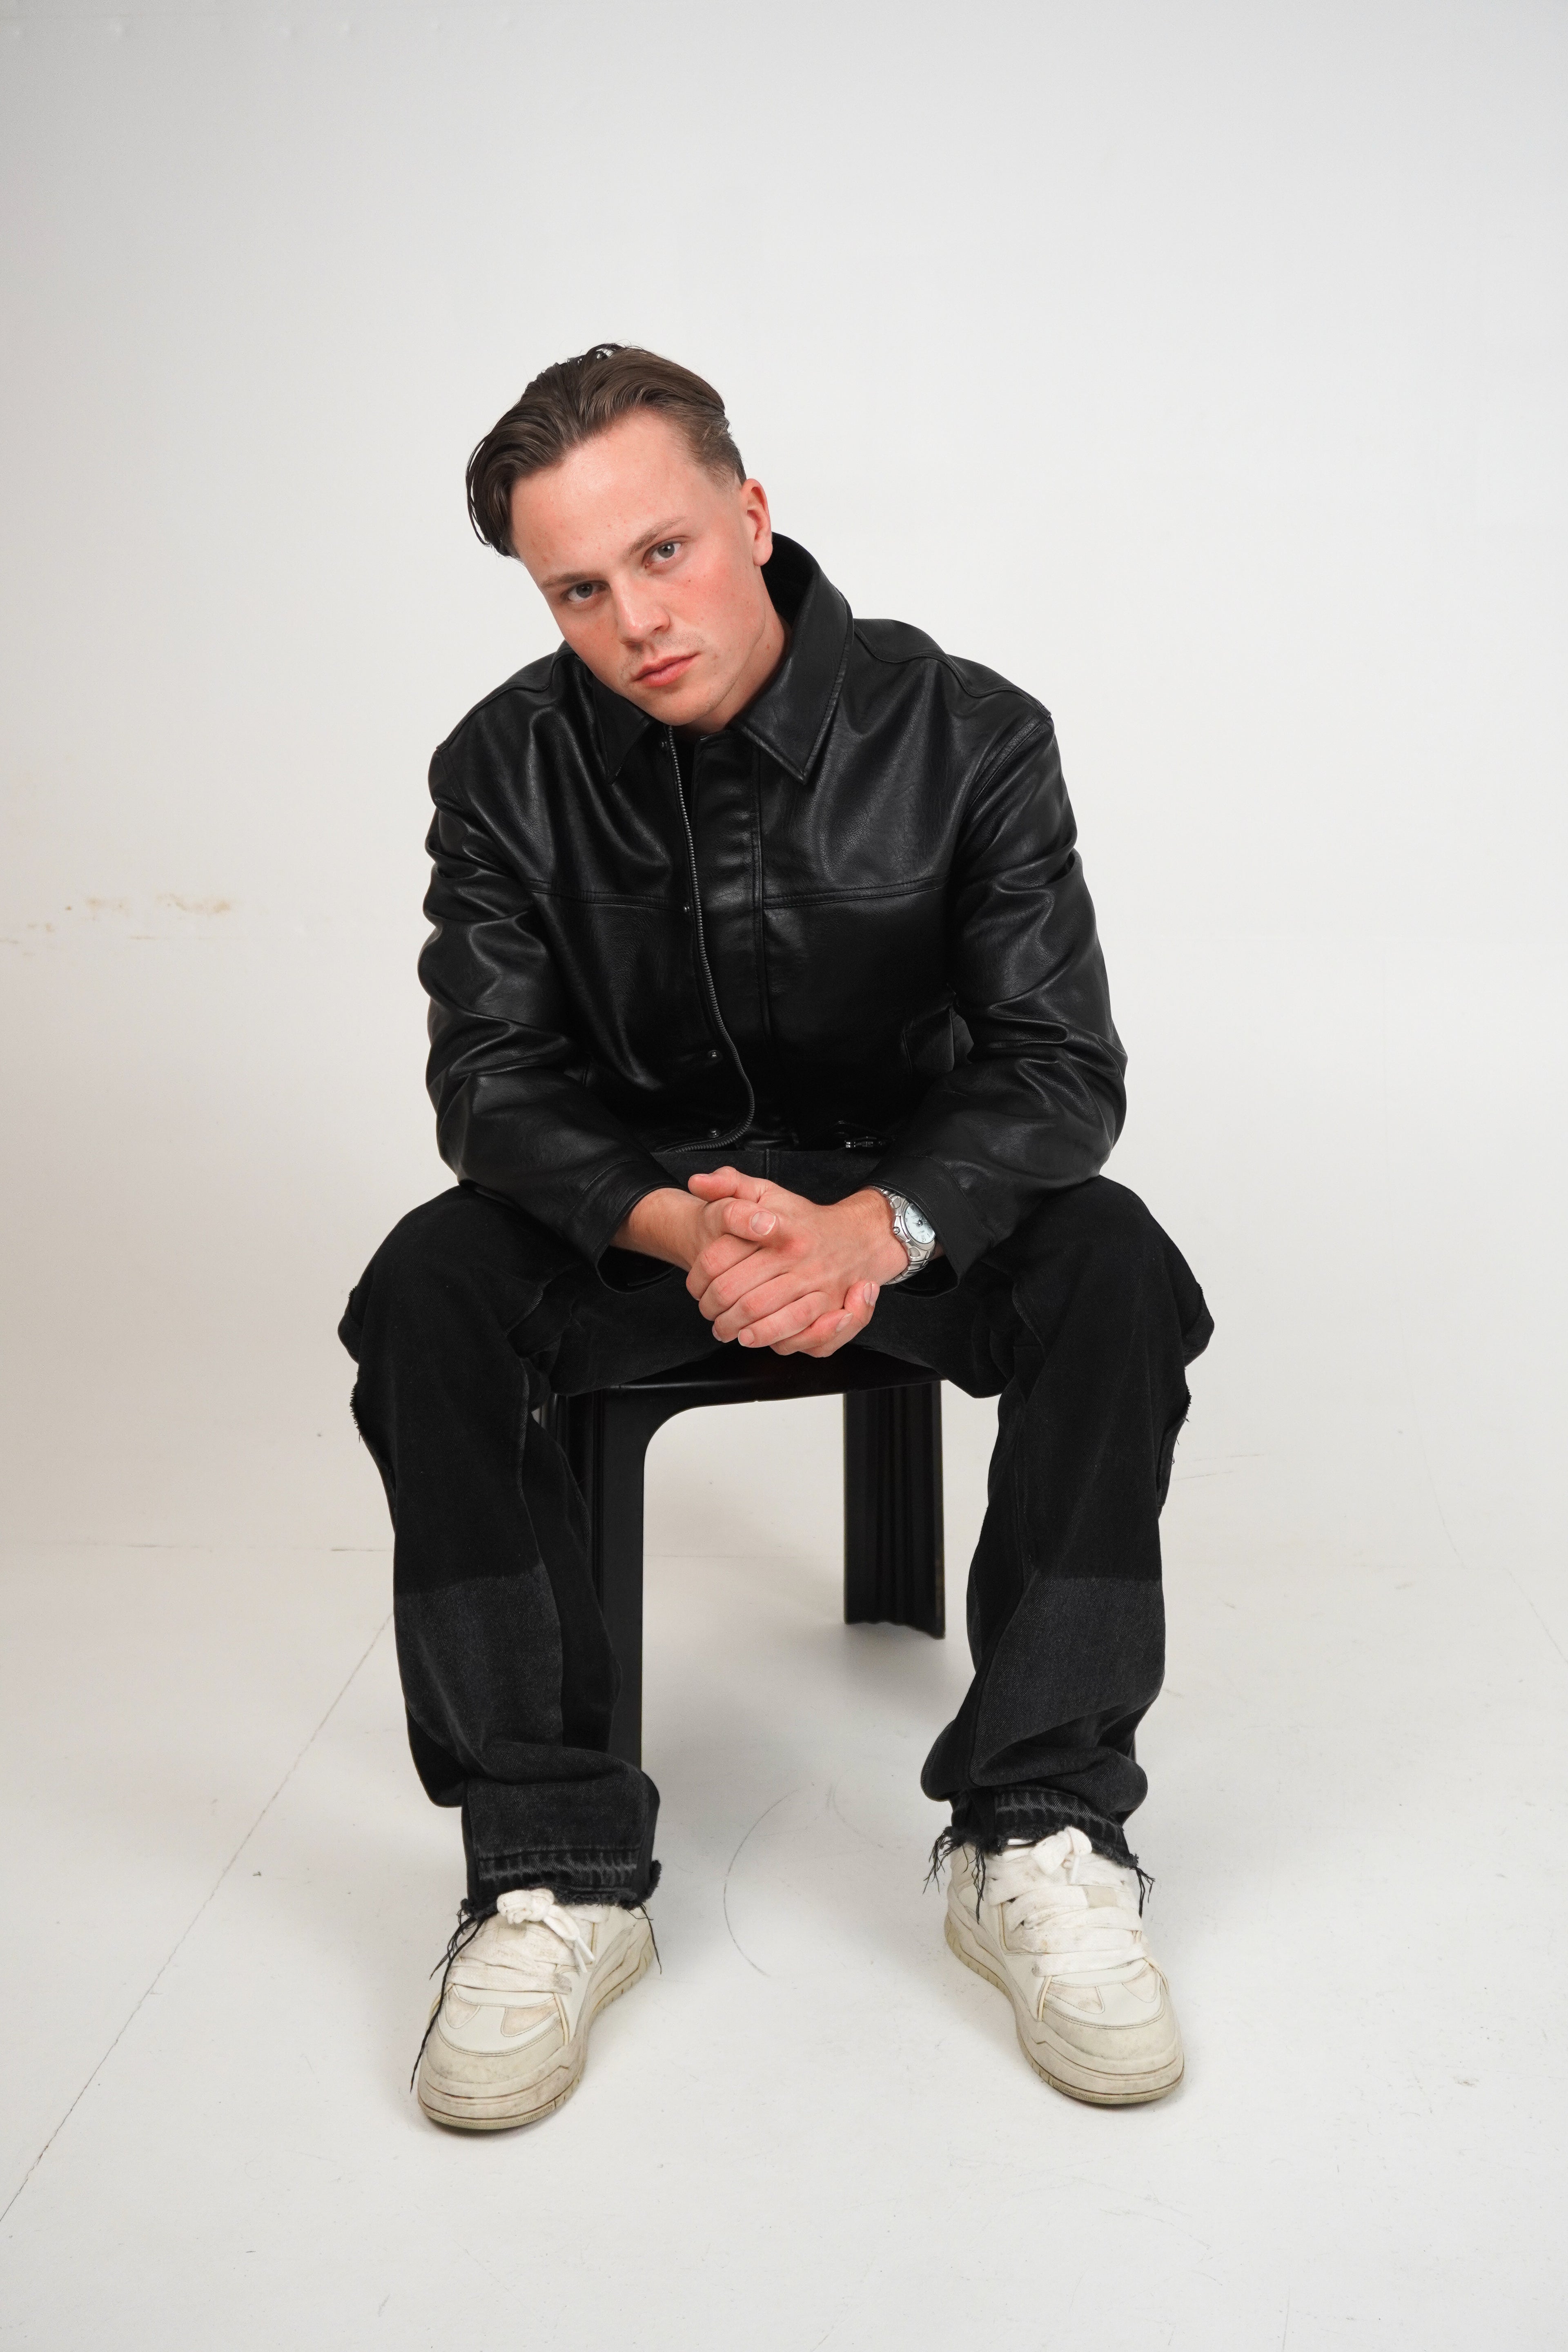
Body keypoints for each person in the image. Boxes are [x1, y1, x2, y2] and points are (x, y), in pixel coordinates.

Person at [340, 343, 1213, 2131]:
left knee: (1117, 1264)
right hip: (648, 1222)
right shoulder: (501, 769)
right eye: (579, 588)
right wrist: (688, 1227)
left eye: (664, 553)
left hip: (914, 1210)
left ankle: (1041, 1825)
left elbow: (1059, 1071)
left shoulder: (968, 732)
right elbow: (491, 1087)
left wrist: (871, 1234)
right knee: (428, 1286)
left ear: (750, 512)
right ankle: (553, 1866)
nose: (636, 619)